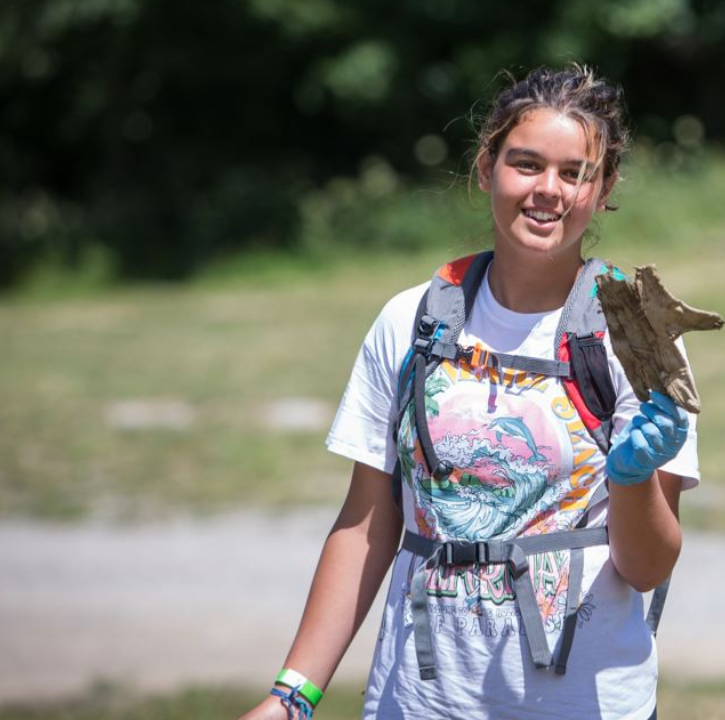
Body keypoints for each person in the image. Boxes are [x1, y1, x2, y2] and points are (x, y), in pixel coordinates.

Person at [240, 64, 699, 720]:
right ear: (486, 168)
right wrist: (293, 694)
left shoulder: (638, 337)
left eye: (575, 173)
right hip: (418, 702)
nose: (549, 190)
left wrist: (632, 478)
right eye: (526, 164)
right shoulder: (413, 321)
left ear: (604, 190)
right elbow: (367, 527)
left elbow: (649, 567)